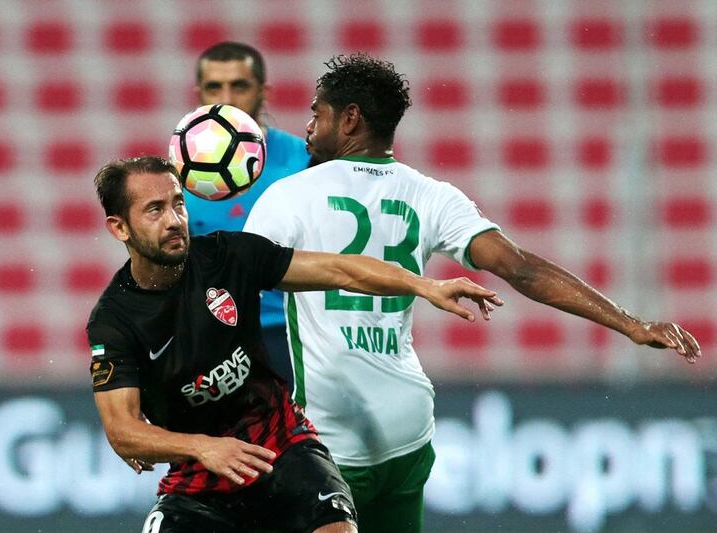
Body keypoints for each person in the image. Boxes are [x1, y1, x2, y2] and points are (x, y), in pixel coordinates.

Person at [243, 53, 702, 533]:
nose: (309, 127)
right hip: (408, 426)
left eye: (319, 113)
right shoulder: (432, 194)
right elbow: (520, 268)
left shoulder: (289, 195)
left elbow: (235, 285)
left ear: (351, 118)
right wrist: (631, 324)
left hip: (333, 426)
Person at [87, 156, 503, 532]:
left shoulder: (227, 257)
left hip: (283, 449)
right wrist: (200, 446)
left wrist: (424, 285)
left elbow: (340, 270)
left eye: (178, 203)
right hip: (200, 479)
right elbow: (122, 431)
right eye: (154, 210)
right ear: (119, 226)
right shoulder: (113, 322)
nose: (175, 219)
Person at [186, 41, 310, 392]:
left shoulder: (303, 161)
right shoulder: (176, 171)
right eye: (214, 87)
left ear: (263, 91)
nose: (226, 97)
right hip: (210, 339)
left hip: (289, 334)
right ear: (199, 94)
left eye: (239, 85)